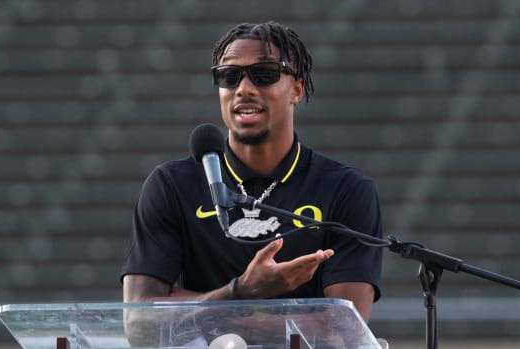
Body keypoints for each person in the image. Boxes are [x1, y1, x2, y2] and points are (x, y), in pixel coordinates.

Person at [121, 21, 382, 329]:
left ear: (296, 89)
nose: (244, 88)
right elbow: (139, 320)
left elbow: (343, 330)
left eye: (264, 74)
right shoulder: (171, 186)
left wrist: (199, 308)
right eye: (229, 76)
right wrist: (241, 292)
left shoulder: (346, 189)